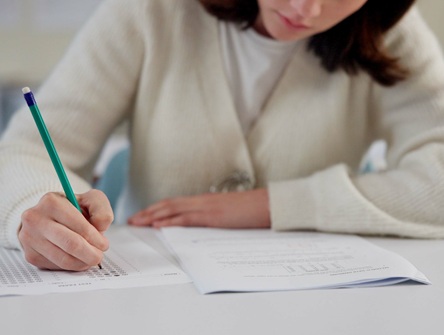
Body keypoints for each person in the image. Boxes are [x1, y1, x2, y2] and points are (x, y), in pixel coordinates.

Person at [1, 0, 444, 271]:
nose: (306, 9)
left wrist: (271, 205)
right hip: (149, 302)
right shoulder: (150, 9)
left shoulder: (387, 31)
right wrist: (33, 215)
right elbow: (25, 151)